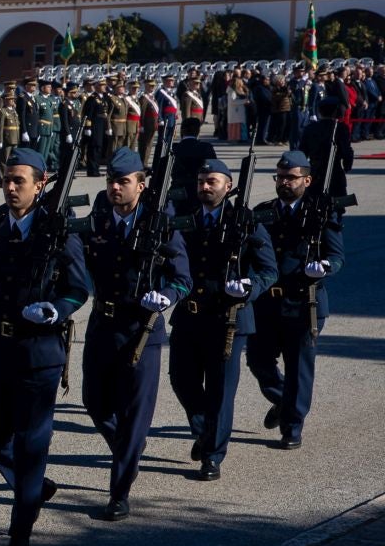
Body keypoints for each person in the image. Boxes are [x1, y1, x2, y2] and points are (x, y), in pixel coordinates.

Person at [0, 147, 91, 546]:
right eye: (7, 180)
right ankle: (34, 488)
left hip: (38, 354)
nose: (11, 188)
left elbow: (77, 287)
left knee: (32, 444)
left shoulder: (58, 232)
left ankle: (20, 533)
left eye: (20, 181)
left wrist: (57, 309)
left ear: (40, 183)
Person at [77, 147, 192, 521]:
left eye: (123, 182)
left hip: (142, 328)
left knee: (134, 414)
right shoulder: (98, 219)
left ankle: (119, 492)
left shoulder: (160, 223)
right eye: (111, 181)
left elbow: (182, 278)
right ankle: (128, 451)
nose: (115, 188)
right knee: (95, 403)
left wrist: (167, 296)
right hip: (102, 326)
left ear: (140, 186)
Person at [169, 158, 277, 480]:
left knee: (220, 391)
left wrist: (249, 286)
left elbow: (268, 270)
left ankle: (213, 457)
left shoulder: (246, 222)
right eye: (201, 181)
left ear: (228, 187)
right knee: (181, 380)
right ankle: (204, 432)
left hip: (227, 319)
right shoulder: (185, 220)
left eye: (211, 181)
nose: (204, 186)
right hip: (189, 317)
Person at [248, 151, 345, 450]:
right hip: (266, 303)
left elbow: (336, 256)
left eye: (291, 178)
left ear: (307, 180)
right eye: (280, 177)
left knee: (298, 368)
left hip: (304, 303)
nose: (284, 182)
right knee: (258, 360)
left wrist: (324, 268)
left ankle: (292, 427)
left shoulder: (321, 213)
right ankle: (283, 399)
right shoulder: (263, 211)